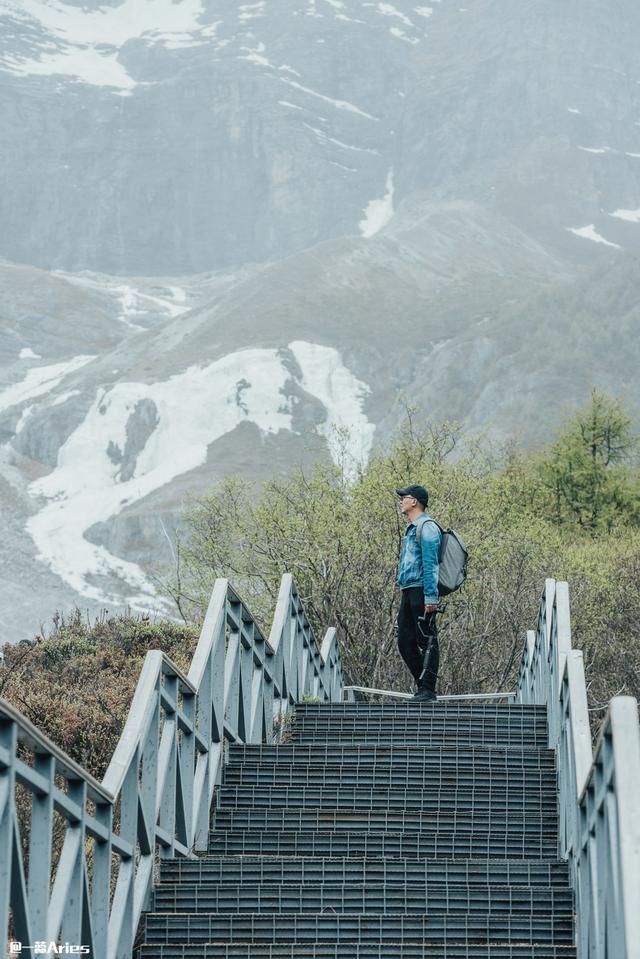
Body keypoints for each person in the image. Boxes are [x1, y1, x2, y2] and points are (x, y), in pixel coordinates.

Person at [395, 484, 442, 702]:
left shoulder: (427, 527)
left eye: (404, 497)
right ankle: (423, 686)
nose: (401, 501)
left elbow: (431, 563)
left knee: (427, 639)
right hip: (409, 589)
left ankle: (428, 690)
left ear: (414, 501)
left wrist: (431, 598)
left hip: (422, 590)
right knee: (404, 641)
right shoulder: (413, 528)